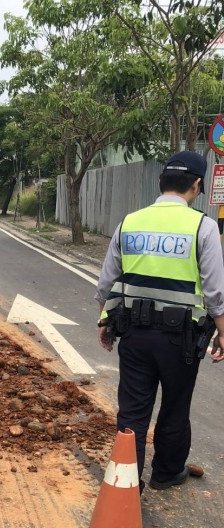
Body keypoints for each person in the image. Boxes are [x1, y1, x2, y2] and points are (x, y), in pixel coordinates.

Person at [95, 150, 224, 492]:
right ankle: (167, 472)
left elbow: (108, 282)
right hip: (181, 339)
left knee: (133, 409)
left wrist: (105, 321)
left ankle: (126, 479)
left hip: (134, 334)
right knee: (175, 406)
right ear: (197, 184)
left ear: (160, 183)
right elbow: (214, 292)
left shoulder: (130, 222)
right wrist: (222, 333)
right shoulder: (203, 226)